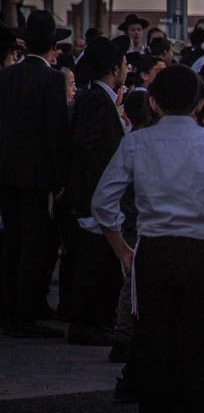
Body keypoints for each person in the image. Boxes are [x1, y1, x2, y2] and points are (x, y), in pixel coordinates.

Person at [93, 65, 204, 413]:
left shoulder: (137, 143)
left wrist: (123, 251)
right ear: (200, 103)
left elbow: (103, 203)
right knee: (202, 364)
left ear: (153, 102)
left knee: (154, 362)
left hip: (152, 255)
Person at [0, 11, 71, 338]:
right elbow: (56, 132)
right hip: (37, 177)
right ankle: (26, 312)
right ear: (53, 46)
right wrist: (61, 180)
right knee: (35, 243)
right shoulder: (53, 80)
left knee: (12, 240)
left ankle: (12, 306)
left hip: (7, 174)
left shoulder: (7, 76)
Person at [66, 38, 129, 346]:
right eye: (124, 64)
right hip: (94, 198)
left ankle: (94, 321)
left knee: (98, 262)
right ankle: (88, 322)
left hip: (95, 197)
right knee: (93, 264)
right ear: (114, 69)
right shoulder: (96, 101)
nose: (127, 68)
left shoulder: (100, 99)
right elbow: (90, 150)